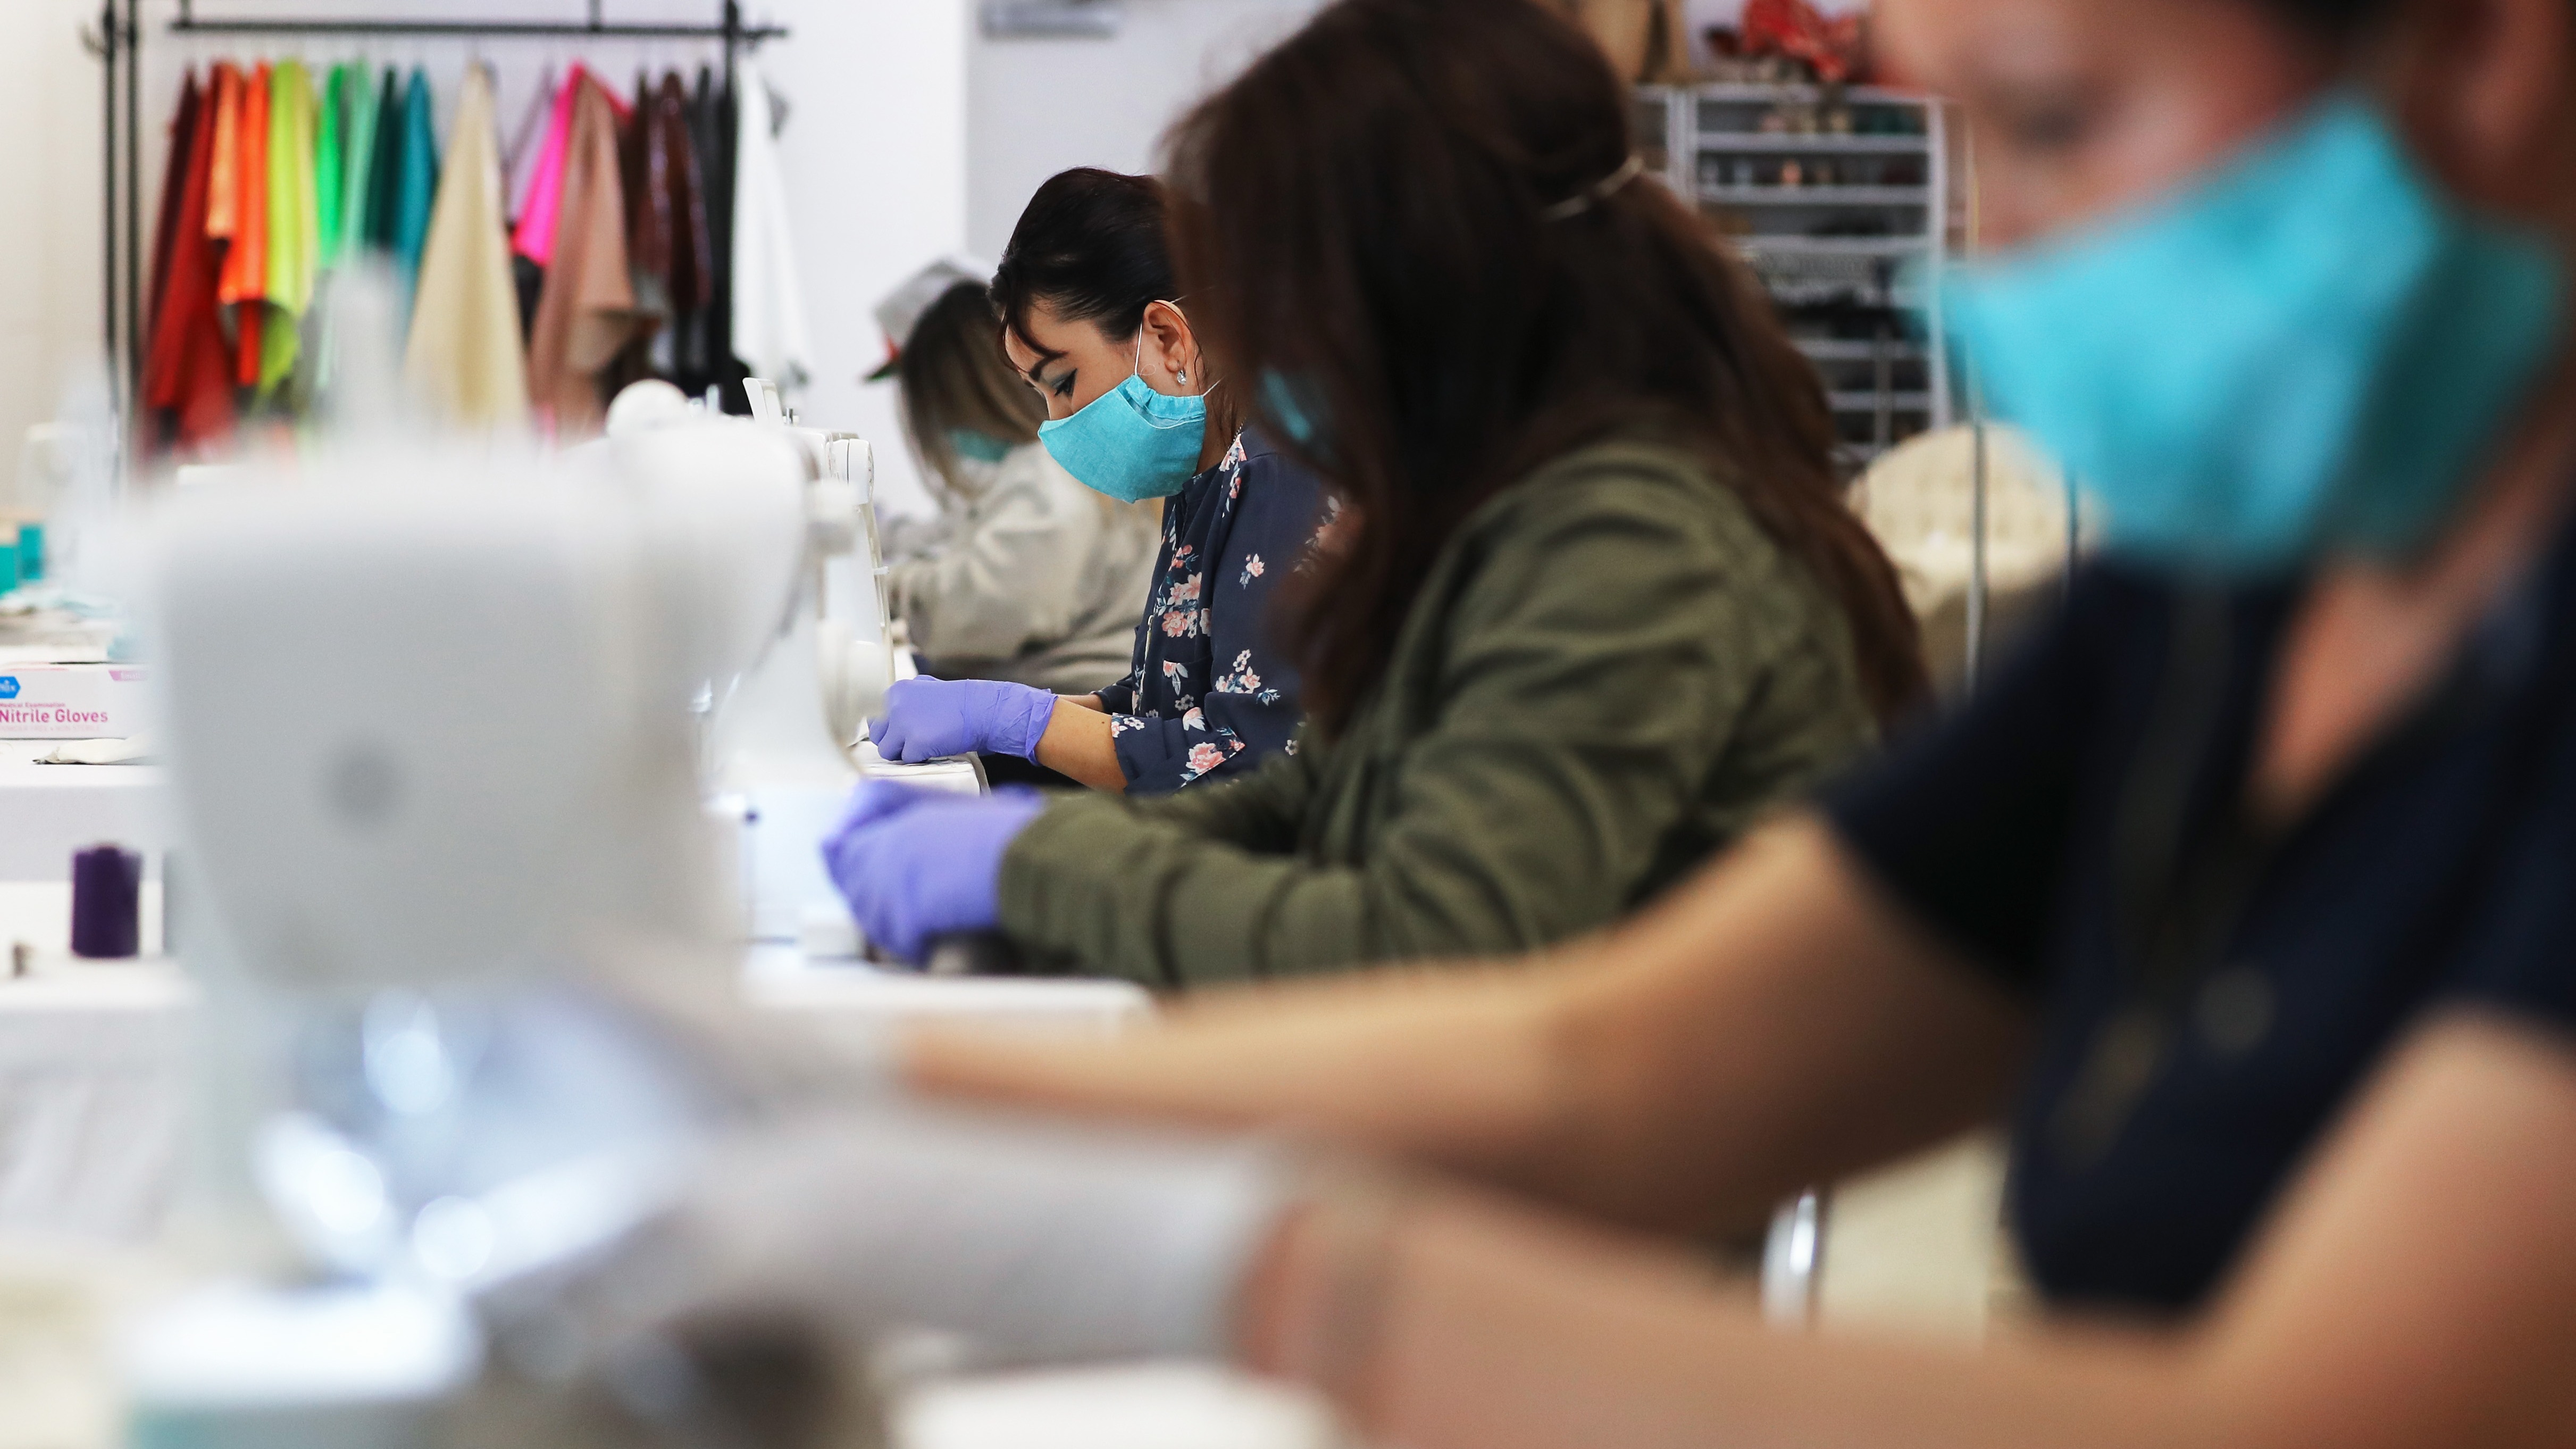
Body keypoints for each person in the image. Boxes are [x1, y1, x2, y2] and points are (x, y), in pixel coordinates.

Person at [565, 0, 2576, 1443]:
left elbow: (2286, 1410)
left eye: (2056, 127)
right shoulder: (2213, 617)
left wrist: (1260, 1276)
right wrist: (806, 1088)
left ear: (2481, 55)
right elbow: (1615, 1058)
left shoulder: (1632, 541)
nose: (2000, 266)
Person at [821, 10, 1924, 984]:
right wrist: (1036, 850)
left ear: (1421, 282)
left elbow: (1433, 937)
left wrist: (1039, 876)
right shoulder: (1487, 509)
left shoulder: (1629, 533)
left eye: (1283, 285)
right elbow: (1314, 795)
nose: (1260, 337)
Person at [864, 171, 1325, 796]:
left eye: (1061, 383)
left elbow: (1242, 758)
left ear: (1165, 337)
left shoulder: (1279, 476)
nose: (1055, 425)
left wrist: (1016, 719)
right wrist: (1011, 719)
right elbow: (1167, 702)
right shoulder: (1207, 478)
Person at [869, 260, 1159, 713]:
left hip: (1077, 713)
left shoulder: (1051, 475)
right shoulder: (1042, 471)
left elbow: (984, 611)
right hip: (1078, 704)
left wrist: (886, 587)